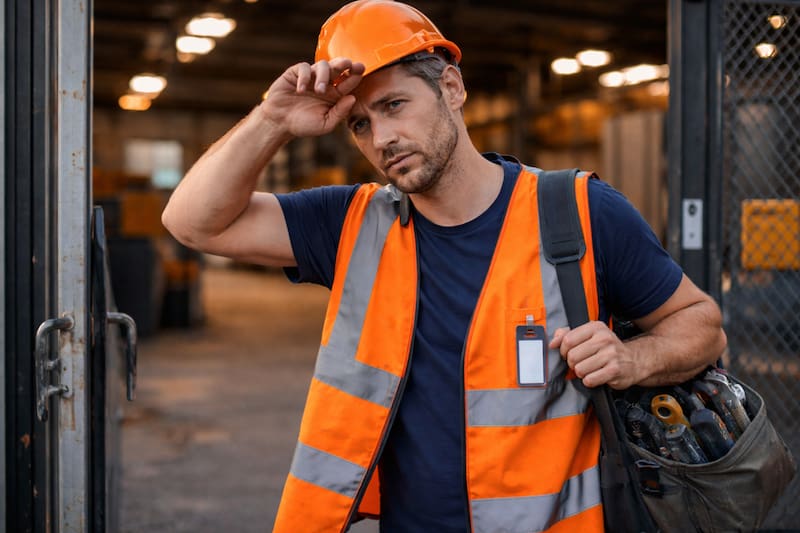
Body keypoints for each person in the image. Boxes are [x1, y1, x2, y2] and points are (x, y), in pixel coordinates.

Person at [161, 1, 727, 531]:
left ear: (451, 87)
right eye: (360, 123)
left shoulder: (579, 214)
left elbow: (700, 324)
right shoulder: (350, 223)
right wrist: (273, 119)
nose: (381, 138)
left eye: (393, 105)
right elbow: (193, 223)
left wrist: (631, 358)